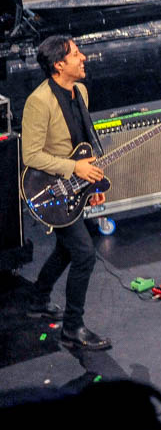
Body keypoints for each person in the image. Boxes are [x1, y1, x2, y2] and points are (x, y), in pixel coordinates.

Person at [21, 36, 110, 350]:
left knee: (66, 249)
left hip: (75, 186)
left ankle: (37, 299)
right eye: (75, 54)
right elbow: (31, 155)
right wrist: (75, 169)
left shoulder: (80, 91)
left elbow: (84, 145)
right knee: (84, 254)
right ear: (59, 65)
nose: (83, 57)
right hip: (50, 189)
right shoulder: (39, 101)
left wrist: (92, 184)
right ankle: (73, 327)